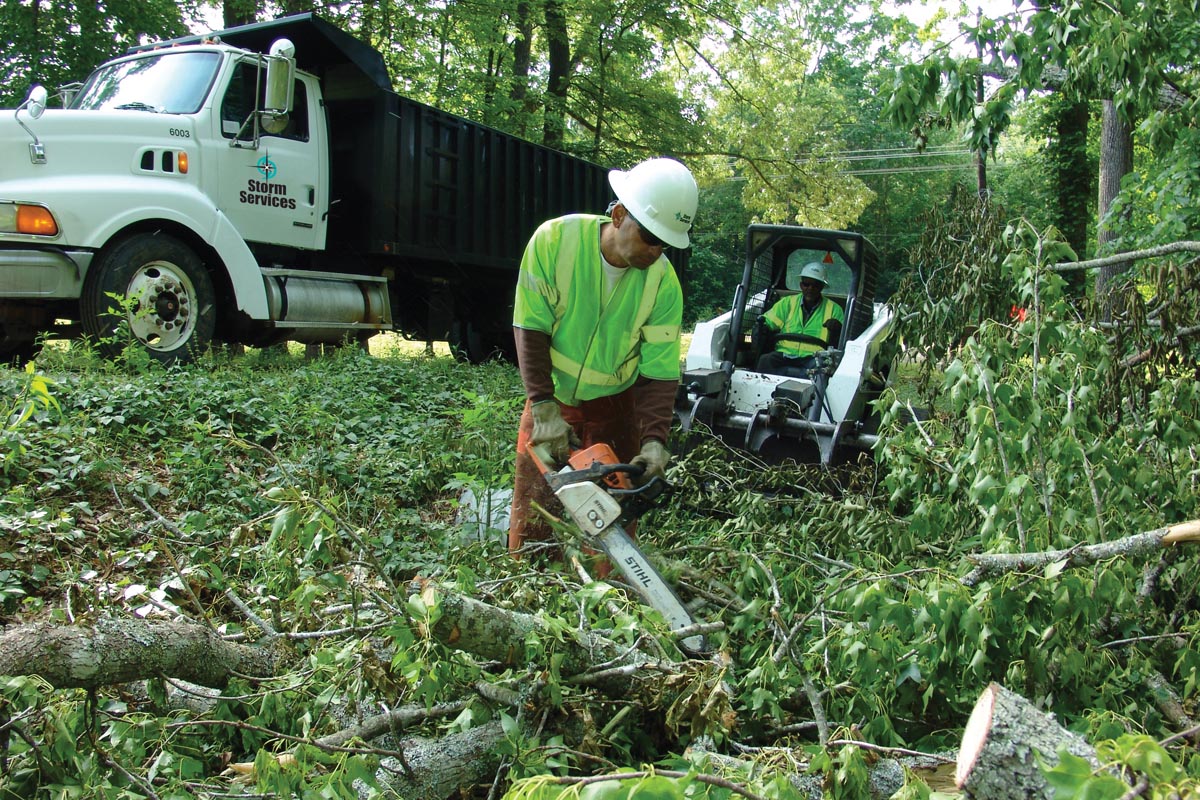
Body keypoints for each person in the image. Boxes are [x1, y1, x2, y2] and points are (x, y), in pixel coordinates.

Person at [507, 157, 698, 558]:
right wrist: (543, 407)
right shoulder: (555, 241)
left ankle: (610, 600)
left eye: (665, 243)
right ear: (618, 213)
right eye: (650, 236)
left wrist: (653, 442)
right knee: (534, 515)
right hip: (551, 400)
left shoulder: (663, 283)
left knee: (615, 523)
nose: (656, 250)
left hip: (616, 405)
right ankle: (526, 588)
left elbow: (660, 370)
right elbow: (531, 326)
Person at [755, 261, 844, 377]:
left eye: (815, 285)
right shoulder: (787, 303)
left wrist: (838, 328)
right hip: (784, 354)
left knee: (823, 368)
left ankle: (816, 395)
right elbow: (767, 321)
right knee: (765, 360)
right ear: (801, 285)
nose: (810, 288)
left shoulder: (834, 309)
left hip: (814, 358)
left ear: (821, 287)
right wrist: (761, 325)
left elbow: (843, 339)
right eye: (806, 284)